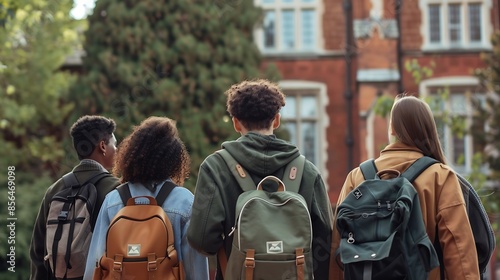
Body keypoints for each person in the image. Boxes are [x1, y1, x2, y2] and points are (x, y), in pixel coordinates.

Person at [187, 79, 333, 279]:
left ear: (236, 123)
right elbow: (325, 240)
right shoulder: (307, 171)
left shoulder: (215, 167)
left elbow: (201, 239)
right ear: (277, 120)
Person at [330, 95, 479, 279]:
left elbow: (338, 247)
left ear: (392, 128)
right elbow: (459, 251)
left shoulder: (357, 176)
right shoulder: (439, 176)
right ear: (428, 129)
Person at [83, 116, 209, 280]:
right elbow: (194, 265)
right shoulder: (184, 201)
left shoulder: (113, 200)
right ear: (173, 159)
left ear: (131, 156)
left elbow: (96, 262)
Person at [30, 115, 120, 280]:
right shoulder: (117, 190)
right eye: (114, 145)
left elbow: (38, 252)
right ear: (102, 146)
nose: (117, 150)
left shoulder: (54, 190)